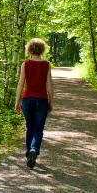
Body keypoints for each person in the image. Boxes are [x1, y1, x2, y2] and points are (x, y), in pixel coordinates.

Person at [14, 38, 55, 169]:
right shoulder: (46, 65)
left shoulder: (25, 64)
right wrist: (50, 102)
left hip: (27, 100)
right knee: (38, 129)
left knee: (29, 128)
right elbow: (49, 85)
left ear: (29, 49)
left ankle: (29, 152)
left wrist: (17, 102)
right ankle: (33, 150)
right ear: (42, 50)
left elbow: (20, 84)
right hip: (42, 101)